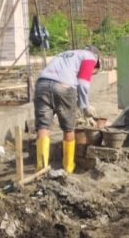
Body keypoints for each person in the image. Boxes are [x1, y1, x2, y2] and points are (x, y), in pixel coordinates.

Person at [34, 46, 101, 174]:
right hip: (64, 86)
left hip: (42, 85)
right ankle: (69, 168)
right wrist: (85, 106)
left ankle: (41, 168)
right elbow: (83, 84)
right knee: (68, 127)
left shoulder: (67, 54)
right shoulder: (90, 57)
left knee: (43, 126)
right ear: (96, 58)